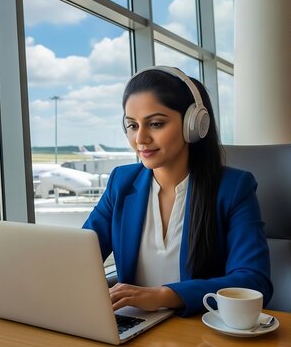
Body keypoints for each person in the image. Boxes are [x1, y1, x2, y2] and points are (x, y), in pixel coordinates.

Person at [82, 66, 272, 317]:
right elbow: (81, 256)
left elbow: (253, 282)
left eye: (156, 124)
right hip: (135, 325)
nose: (141, 139)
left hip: (198, 329)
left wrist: (163, 295)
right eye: (132, 126)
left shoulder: (234, 188)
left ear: (194, 124)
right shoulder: (121, 182)